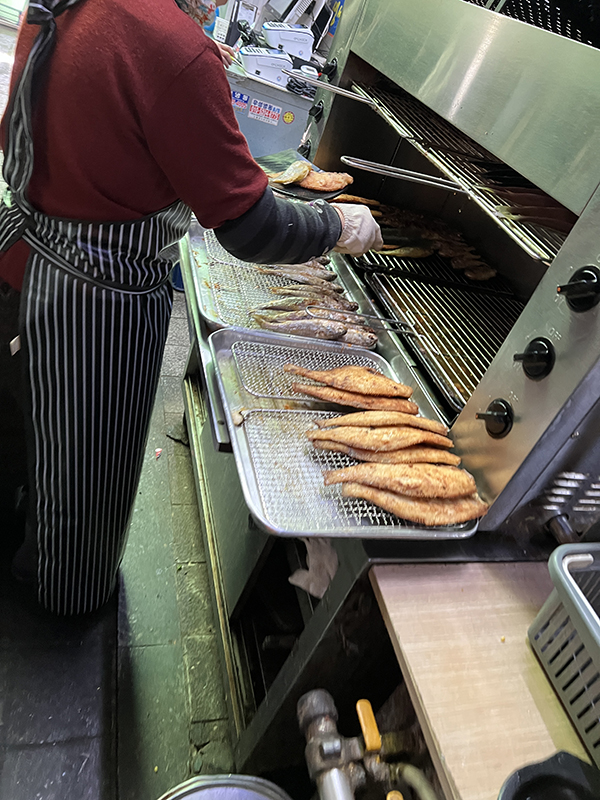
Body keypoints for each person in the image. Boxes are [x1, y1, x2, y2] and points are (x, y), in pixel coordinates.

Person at [0, 0, 382, 616]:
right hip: (91, 302)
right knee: (82, 487)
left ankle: (25, 557)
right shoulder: (169, 46)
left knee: (33, 451)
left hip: (27, 257)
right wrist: (336, 225)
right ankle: (63, 602)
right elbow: (250, 226)